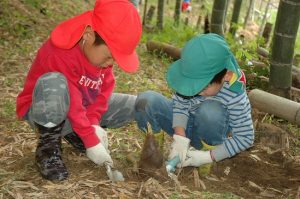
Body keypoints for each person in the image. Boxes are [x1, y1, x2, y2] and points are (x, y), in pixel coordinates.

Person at [16, 0, 142, 181]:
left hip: (80, 110)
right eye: (108, 56)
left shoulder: (101, 59)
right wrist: (90, 138)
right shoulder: (59, 53)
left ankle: (73, 132)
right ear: (88, 35)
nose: (110, 64)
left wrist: (93, 123)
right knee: (55, 82)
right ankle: (48, 147)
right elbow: (73, 103)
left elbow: (103, 93)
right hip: (45, 111)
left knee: (134, 104)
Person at [135, 33, 254, 175]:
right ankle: (154, 157)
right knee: (146, 101)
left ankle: (203, 163)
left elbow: (246, 137)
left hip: (207, 135)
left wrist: (206, 157)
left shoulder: (235, 94)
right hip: (184, 125)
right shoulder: (191, 72)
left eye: (203, 88)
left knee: (210, 111)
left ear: (226, 75)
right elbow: (180, 104)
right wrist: (180, 138)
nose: (195, 92)